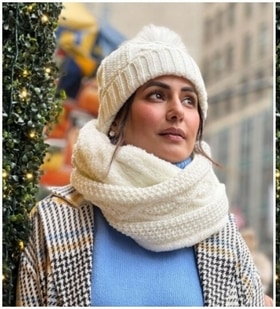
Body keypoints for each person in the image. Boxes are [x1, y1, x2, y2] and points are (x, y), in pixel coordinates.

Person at [16, 24, 265, 306]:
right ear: (117, 117)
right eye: (157, 95)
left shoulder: (219, 226)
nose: (177, 111)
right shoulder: (54, 220)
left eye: (189, 100)